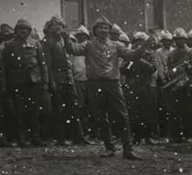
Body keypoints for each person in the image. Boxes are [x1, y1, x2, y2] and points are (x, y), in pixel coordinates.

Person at [63, 16, 147, 158]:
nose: (103, 30)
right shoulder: (88, 44)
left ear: (109, 30)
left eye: (105, 28)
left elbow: (132, 55)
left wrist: (144, 46)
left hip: (112, 83)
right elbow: (73, 50)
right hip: (94, 84)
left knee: (121, 115)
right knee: (100, 116)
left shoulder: (116, 45)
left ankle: (128, 149)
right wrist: (65, 38)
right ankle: (109, 148)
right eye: (100, 28)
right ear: (95, 30)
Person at [2, 18, 48, 147]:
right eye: (21, 29)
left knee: (34, 110)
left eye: (26, 29)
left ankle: (35, 137)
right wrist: (6, 83)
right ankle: (21, 138)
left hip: (34, 80)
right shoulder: (10, 45)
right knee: (20, 110)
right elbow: (5, 65)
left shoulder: (35, 43)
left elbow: (42, 63)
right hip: (17, 80)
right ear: (16, 30)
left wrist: (45, 80)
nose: (23, 32)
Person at [43, 16, 86, 146]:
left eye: (60, 25)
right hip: (57, 76)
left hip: (69, 77)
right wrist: (52, 81)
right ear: (49, 28)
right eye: (54, 25)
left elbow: (71, 57)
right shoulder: (47, 42)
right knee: (59, 109)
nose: (58, 28)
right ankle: (61, 138)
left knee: (73, 107)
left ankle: (78, 137)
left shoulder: (64, 40)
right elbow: (48, 64)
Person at [163, 28, 192, 143]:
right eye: (176, 39)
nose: (178, 41)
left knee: (188, 110)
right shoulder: (172, 53)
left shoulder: (191, 52)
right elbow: (168, 67)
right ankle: (175, 135)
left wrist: (189, 68)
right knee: (174, 110)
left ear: (185, 40)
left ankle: (189, 135)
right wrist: (169, 73)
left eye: (181, 39)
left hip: (187, 83)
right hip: (175, 84)